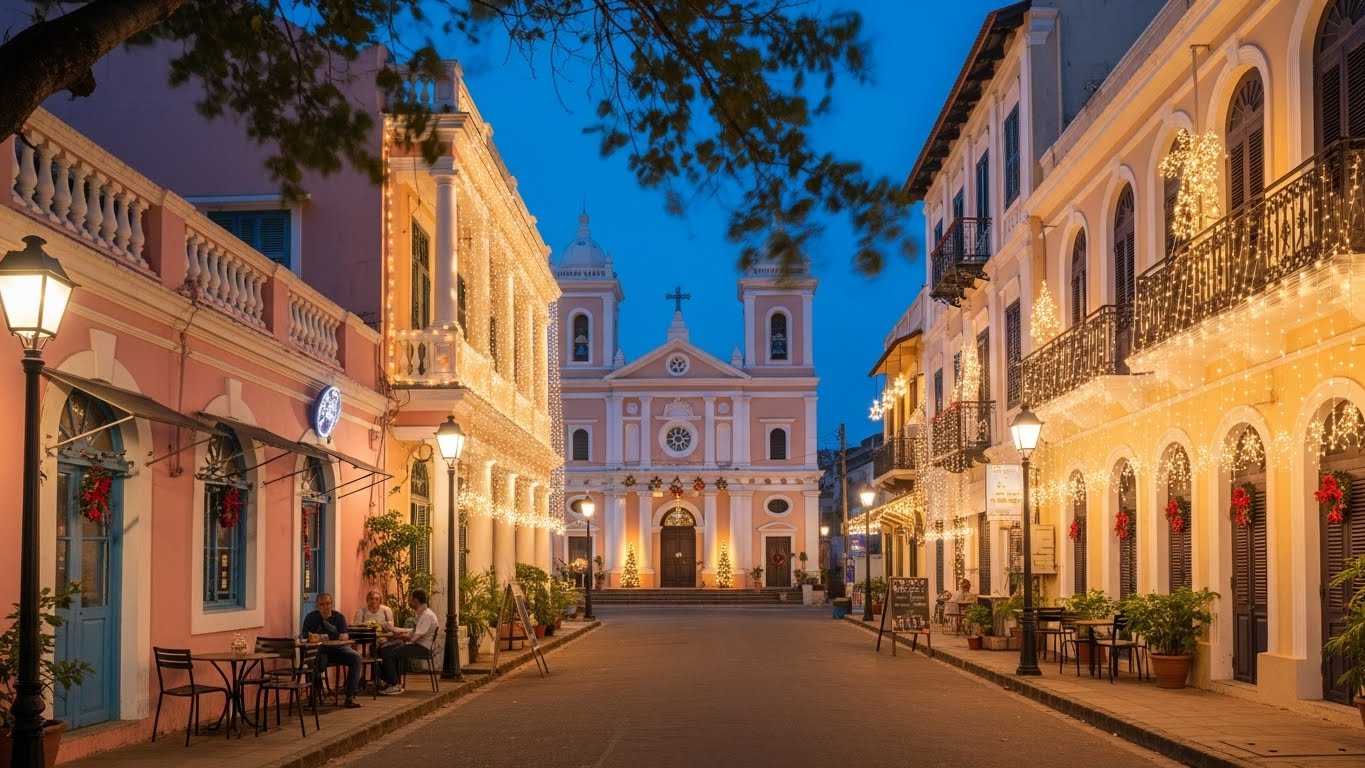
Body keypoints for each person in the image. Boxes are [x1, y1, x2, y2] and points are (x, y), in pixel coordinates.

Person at [301, 592, 363, 708]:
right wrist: (312, 638)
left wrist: (340, 635)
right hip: (320, 651)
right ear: (317, 606)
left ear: (332, 604)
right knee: (314, 661)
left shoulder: (338, 617)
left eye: (328, 603)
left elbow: (345, 635)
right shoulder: (311, 618)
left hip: (337, 650)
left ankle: (350, 696)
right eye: (322, 604)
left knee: (356, 657)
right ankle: (314, 697)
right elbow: (305, 636)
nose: (326, 607)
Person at [377, 590, 438, 695]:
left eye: (410, 599)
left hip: (422, 648)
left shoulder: (426, 616)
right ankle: (391, 681)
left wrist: (398, 635)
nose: (409, 601)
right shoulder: (422, 613)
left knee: (388, 652)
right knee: (385, 649)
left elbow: (414, 637)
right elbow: (412, 631)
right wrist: (394, 629)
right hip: (419, 645)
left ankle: (394, 684)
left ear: (415, 600)